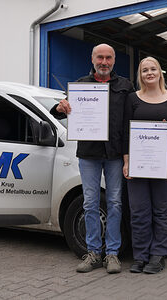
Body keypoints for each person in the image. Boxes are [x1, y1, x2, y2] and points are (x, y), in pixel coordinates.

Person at [50, 44, 134, 274]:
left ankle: (113, 254)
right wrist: (61, 106)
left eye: (108, 58)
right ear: (93, 58)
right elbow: (57, 110)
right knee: (90, 203)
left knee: (115, 203)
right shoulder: (80, 86)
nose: (104, 62)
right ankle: (94, 252)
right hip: (88, 154)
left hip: (116, 154)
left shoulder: (125, 86)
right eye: (100, 57)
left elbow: (136, 115)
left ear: (114, 60)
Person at [122, 57, 167, 274]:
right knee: (139, 210)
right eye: (144, 70)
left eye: (153, 69)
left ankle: (158, 255)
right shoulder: (132, 99)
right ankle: (140, 255)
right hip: (138, 161)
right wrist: (126, 161)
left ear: (160, 72)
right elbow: (125, 132)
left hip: (165, 159)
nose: (149, 73)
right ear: (140, 75)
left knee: (162, 209)